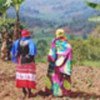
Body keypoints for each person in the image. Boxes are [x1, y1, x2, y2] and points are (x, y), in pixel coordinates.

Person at [45, 29, 72, 96]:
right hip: (66, 64)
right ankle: (66, 92)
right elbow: (70, 55)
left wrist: (51, 59)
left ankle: (56, 92)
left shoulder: (54, 42)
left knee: (55, 77)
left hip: (56, 63)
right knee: (66, 77)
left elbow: (52, 54)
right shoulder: (67, 45)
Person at [11, 29, 37, 98]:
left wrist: (16, 58)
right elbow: (33, 52)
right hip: (29, 62)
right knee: (29, 76)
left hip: (20, 61)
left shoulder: (17, 42)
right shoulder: (31, 42)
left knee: (21, 76)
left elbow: (13, 52)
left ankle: (24, 91)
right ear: (28, 35)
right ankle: (29, 92)